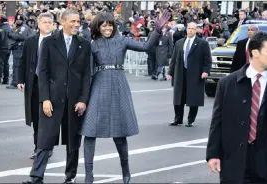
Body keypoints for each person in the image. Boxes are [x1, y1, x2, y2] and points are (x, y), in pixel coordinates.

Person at [80, 11, 171, 184]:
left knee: (120, 133)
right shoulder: (92, 44)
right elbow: (86, 71)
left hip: (119, 85)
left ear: (114, 26)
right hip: (99, 84)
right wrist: (83, 96)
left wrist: (157, 31)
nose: (107, 28)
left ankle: (125, 169)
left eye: (110, 24)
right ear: (97, 27)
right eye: (103, 25)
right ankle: (89, 175)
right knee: (90, 131)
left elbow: (145, 48)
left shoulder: (122, 40)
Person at [22, 9, 91, 184]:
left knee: (73, 142)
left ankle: (70, 177)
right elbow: (42, 73)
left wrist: (83, 100)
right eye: (73, 21)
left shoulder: (84, 44)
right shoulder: (49, 42)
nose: (76, 24)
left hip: (75, 101)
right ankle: (36, 177)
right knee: (45, 139)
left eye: (78, 21)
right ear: (62, 21)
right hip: (51, 99)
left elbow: (86, 75)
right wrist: (44, 98)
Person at [206, 32, 267, 183]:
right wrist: (213, 154)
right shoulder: (227, 84)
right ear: (255, 53)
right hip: (236, 161)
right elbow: (217, 122)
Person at [17, 13, 54, 160]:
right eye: (44, 22)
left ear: (53, 25)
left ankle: (47, 147)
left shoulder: (57, 41)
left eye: (49, 22)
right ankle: (38, 147)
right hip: (34, 83)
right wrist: (20, 80)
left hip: (51, 86)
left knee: (48, 117)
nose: (47, 25)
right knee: (36, 118)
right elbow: (23, 61)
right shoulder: (30, 41)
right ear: (38, 25)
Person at [167, 22, 212, 127]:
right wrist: (170, 72)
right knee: (179, 97)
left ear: (196, 30)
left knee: (193, 97)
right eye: (189, 28)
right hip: (180, 73)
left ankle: (190, 119)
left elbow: (207, 60)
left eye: (193, 29)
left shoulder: (202, 43)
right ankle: (178, 119)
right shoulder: (179, 43)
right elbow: (174, 59)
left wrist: (206, 71)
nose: (190, 30)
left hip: (195, 74)